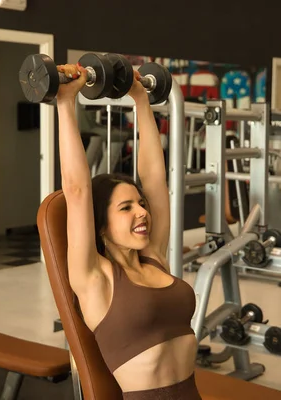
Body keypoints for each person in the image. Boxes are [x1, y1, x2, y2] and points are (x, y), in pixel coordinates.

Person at [55, 62, 201, 400]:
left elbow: (154, 178)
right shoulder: (96, 278)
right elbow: (77, 191)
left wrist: (141, 99)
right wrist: (65, 103)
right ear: (102, 225)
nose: (142, 212)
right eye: (126, 208)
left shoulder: (154, 258)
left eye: (141, 204)